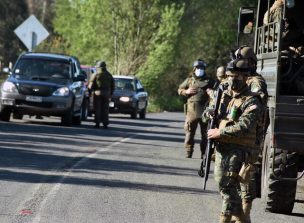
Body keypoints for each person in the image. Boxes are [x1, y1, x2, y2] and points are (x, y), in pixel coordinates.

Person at [207, 58, 261, 223]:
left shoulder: (252, 100)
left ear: (246, 78)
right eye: (230, 75)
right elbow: (206, 115)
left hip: (240, 151)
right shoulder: (223, 96)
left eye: (238, 76)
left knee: (228, 188)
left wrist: (220, 132)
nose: (233, 79)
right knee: (224, 187)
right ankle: (242, 220)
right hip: (223, 149)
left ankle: (229, 220)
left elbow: (244, 126)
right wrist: (209, 113)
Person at [233, 46, 268, 223]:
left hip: (251, 139)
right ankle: (237, 214)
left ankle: (243, 217)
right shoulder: (239, 80)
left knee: (246, 179)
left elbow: (257, 108)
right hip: (238, 137)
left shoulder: (256, 82)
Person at [178, 59, 215, 158]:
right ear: (194, 69)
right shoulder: (189, 80)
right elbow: (179, 89)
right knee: (189, 134)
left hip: (205, 112)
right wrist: (186, 91)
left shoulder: (210, 81)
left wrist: (211, 92)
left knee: (206, 135)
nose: (200, 70)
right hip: (191, 112)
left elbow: (218, 91)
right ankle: (188, 152)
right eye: (198, 68)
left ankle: (204, 153)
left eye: (202, 68)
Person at [88, 60, 115, 129]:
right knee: (105, 109)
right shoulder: (109, 75)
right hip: (107, 93)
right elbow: (113, 85)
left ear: (98, 67)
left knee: (97, 108)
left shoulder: (95, 74)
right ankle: (105, 124)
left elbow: (90, 85)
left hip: (98, 93)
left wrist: (90, 92)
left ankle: (97, 123)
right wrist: (111, 94)